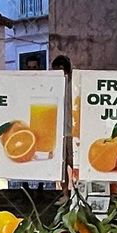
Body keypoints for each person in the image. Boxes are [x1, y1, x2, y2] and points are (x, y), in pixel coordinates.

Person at [51, 53, 74, 192]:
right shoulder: (53, 87)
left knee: (73, 162)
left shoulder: (73, 87)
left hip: (72, 131)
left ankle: (75, 193)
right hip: (58, 132)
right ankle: (65, 193)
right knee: (61, 164)